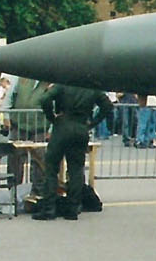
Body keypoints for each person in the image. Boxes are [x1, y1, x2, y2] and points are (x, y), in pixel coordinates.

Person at [31, 83, 113, 221]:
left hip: (62, 126)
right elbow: (107, 106)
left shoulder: (63, 83)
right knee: (76, 169)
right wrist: (93, 122)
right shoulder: (92, 86)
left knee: (51, 167)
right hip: (81, 127)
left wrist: (51, 117)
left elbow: (45, 99)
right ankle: (73, 208)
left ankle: (49, 208)